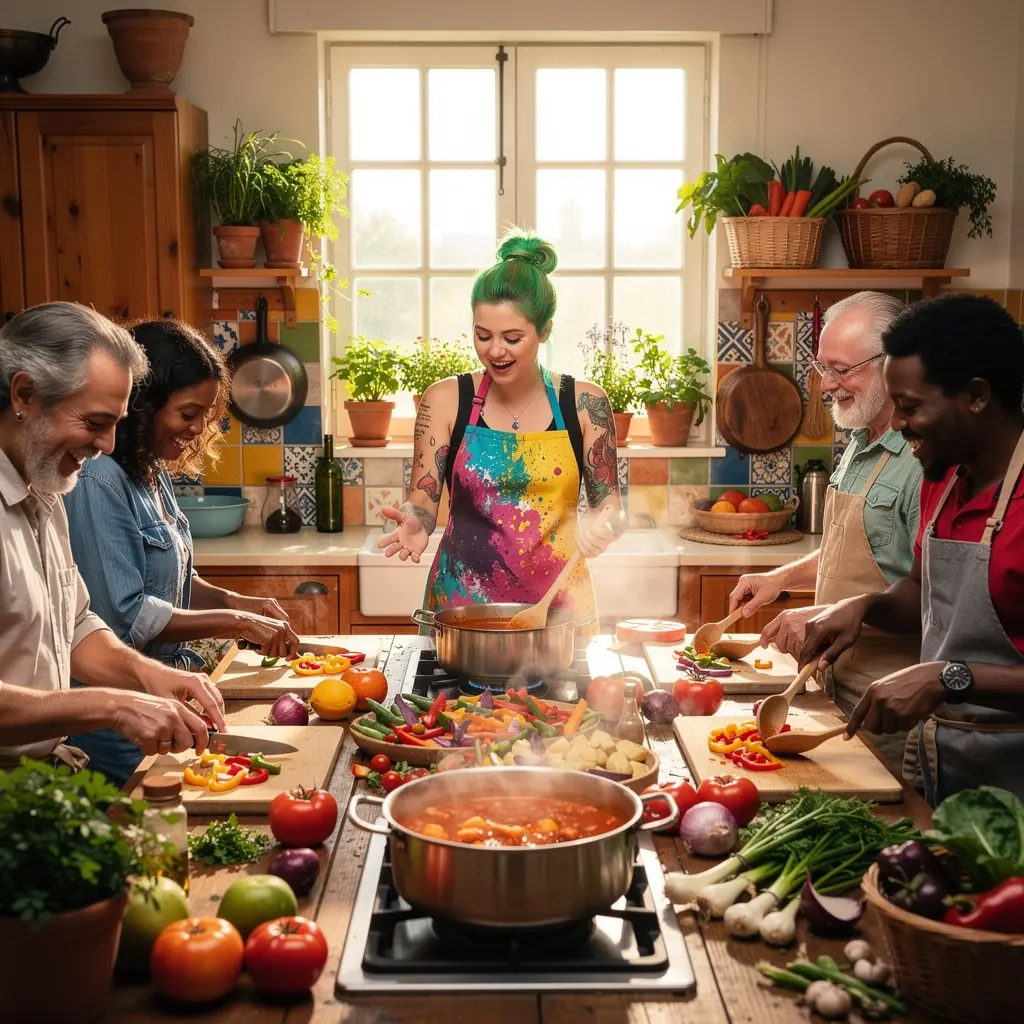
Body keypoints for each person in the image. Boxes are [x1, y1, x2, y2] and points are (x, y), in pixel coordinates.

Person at [799, 293, 1024, 804]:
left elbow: (952, 670)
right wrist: (865, 606)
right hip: (941, 768)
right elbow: (921, 589)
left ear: (976, 396)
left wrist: (948, 677)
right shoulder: (941, 481)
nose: (897, 426)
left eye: (911, 407)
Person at [62, 317, 302, 785]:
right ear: (143, 406)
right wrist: (237, 623)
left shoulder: (148, 468)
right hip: (115, 713)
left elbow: (167, 578)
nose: (195, 429)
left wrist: (237, 602)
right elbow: (125, 612)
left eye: (203, 417)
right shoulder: (98, 479)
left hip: (165, 694)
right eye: (187, 414)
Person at [0, 302, 225, 770]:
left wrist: (148, 673)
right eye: (95, 423)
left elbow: (77, 625)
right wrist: (114, 705)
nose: (106, 445)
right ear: (24, 395)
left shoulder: (45, 489)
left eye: (116, 424)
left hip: (42, 779)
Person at [377, 231, 624, 618]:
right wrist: (416, 520)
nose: (495, 350)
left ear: (544, 331)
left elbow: (611, 507)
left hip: (558, 611)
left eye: (513, 337)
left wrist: (604, 526)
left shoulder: (583, 404)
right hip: (462, 608)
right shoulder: (445, 400)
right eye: (483, 335)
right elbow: (423, 496)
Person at [728, 292, 923, 777]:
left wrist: (821, 615)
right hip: (828, 685)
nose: (826, 385)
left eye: (842, 370)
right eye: (822, 368)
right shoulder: (859, 441)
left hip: (888, 705)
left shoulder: (923, 462)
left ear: (891, 363)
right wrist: (781, 577)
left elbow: (937, 602)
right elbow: (849, 551)